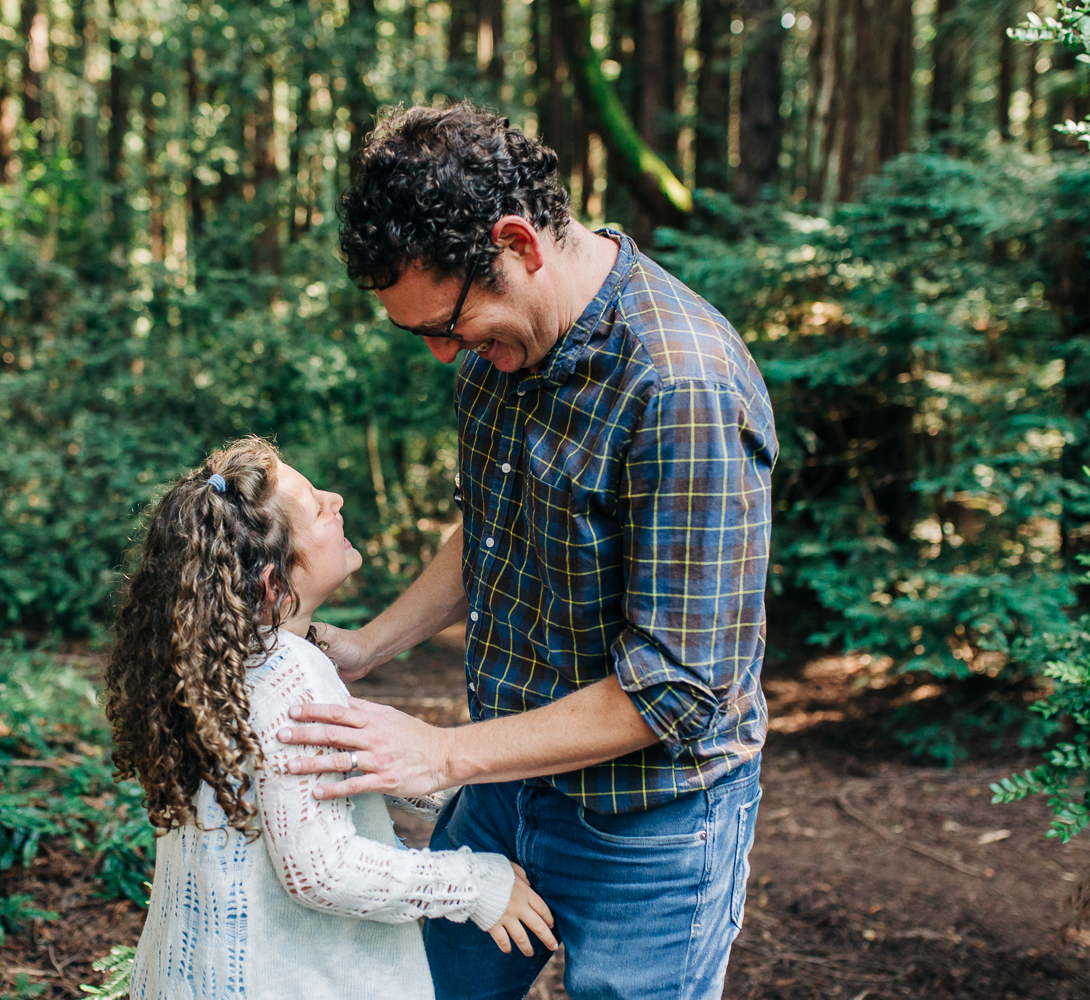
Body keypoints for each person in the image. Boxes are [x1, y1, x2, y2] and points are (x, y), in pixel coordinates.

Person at [276, 103, 778, 1000]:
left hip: (652, 823)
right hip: (508, 791)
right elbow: (492, 527)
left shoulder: (682, 386)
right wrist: (366, 648)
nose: (442, 355)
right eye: (417, 333)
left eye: (446, 324)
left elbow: (678, 686)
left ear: (518, 243)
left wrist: (444, 755)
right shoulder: (493, 356)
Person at [104, 436, 557, 1000]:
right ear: (274, 583)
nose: (337, 499)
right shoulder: (290, 671)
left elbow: (305, 784)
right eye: (319, 507)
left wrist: (468, 789)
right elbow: (321, 870)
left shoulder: (217, 662)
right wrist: (477, 885)